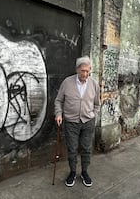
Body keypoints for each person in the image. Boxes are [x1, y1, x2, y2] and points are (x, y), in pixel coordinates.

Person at [54, 56, 100, 188]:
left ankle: (84, 172)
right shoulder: (67, 83)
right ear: (77, 70)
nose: (85, 74)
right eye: (82, 71)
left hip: (88, 122)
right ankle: (73, 172)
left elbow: (97, 104)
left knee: (86, 148)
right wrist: (58, 114)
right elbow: (58, 100)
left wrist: (93, 115)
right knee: (72, 149)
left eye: (87, 71)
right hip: (71, 122)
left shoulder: (93, 84)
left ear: (90, 70)